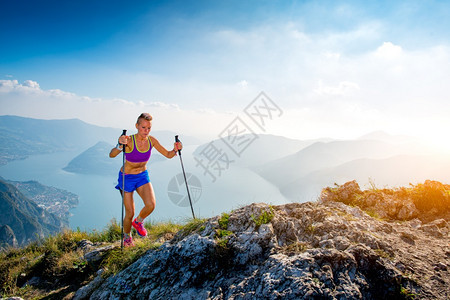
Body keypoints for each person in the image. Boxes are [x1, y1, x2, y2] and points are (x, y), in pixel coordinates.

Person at [109, 113, 182, 247]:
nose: (146, 131)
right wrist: (120, 145)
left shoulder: (152, 140)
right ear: (137, 126)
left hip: (142, 176)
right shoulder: (128, 140)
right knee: (129, 212)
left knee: (151, 205)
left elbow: (168, 154)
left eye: (149, 128)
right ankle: (127, 237)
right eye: (143, 127)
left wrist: (175, 149)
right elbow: (111, 155)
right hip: (127, 178)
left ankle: (138, 222)